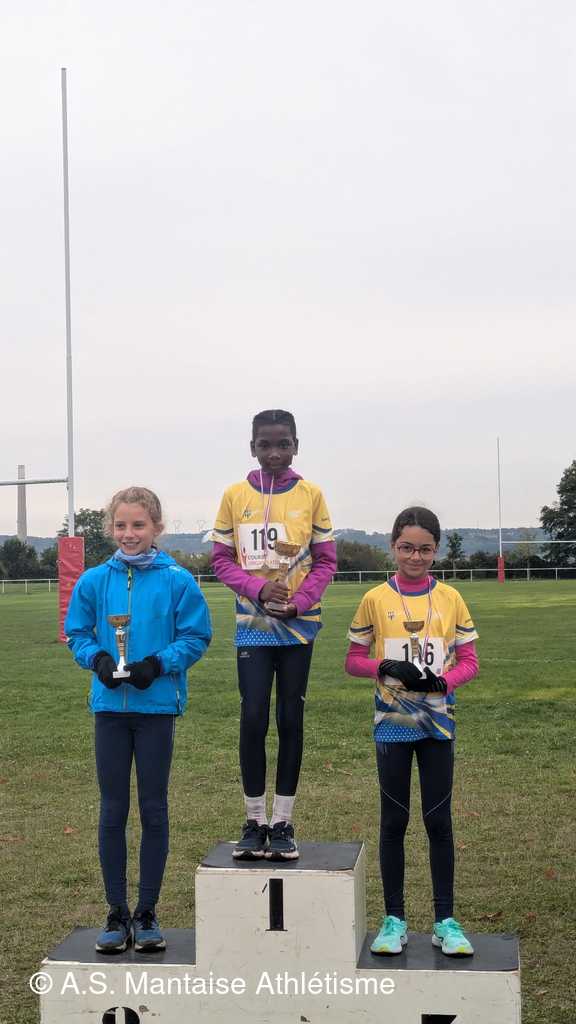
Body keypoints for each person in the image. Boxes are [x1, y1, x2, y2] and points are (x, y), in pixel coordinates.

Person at [65, 486, 212, 953]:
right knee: (112, 810)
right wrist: (98, 660)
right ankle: (116, 912)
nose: (129, 534)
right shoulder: (94, 580)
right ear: (111, 528)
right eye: (121, 525)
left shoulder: (178, 580)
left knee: (153, 809)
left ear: (157, 528)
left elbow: (196, 636)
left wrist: (157, 664)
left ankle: (147, 912)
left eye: (139, 525)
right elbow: (76, 632)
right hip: (110, 710)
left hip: (156, 710)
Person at [345, 506, 479, 957]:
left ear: (436, 550)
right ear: (393, 547)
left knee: (438, 821)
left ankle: (445, 922)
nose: (415, 557)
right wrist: (383, 666)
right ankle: (394, 920)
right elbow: (352, 661)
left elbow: (470, 662)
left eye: (424, 549)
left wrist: (443, 682)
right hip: (392, 725)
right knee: (394, 821)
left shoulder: (451, 598)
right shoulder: (374, 599)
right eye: (406, 548)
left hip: (438, 724)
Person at [212, 409, 336, 860]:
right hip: (253, 624)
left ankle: (282, 822)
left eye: (283, 444)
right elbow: (221, 560)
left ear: (296, 446)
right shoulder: (234, 495)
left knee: (289, 720)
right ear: (252, 448)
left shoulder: (311, 494)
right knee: (252, 718)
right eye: (265, 445)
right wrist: (257, 589)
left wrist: (299, 601)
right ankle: (254, 820)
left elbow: (326, 560)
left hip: (298, 625)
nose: (275, 453)